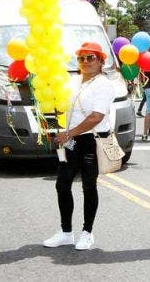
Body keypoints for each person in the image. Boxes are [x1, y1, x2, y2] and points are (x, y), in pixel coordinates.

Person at [43, 42, 115, 251]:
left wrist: (68, 134)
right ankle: (66, 232)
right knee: (62, 184)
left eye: (90, 57)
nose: (85, 62)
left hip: (90, 139)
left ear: (101, 61)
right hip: (71, 140)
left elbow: (96, 117)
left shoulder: (104, 84)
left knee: (88, 186)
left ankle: (87, 232)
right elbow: (62, 106)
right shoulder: (72, 81)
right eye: (82, 58)